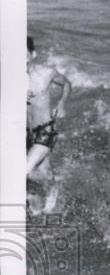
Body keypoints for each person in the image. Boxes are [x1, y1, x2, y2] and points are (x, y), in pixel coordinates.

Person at [26, 36, 71, 213]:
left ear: (32, 54)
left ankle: (54, 189)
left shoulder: (45, 73)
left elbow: (66, 83)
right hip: (23, 133)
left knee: (26, 171)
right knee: (40, 174)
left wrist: (62, 103)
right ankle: (41, 213)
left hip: (44, 131)